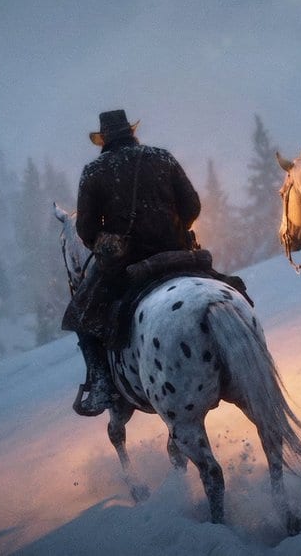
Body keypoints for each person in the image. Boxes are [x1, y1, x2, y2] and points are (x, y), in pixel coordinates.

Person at [62, 109, 201, 416]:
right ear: (131, 132)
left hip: (126, 264)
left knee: (81, 315)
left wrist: (111, 242)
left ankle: (101, 385)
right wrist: (173, 230)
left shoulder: (94, 172)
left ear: (103, 139)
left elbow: (85, 231)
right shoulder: (162, 157)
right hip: (177, 252)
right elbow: (192, 205)